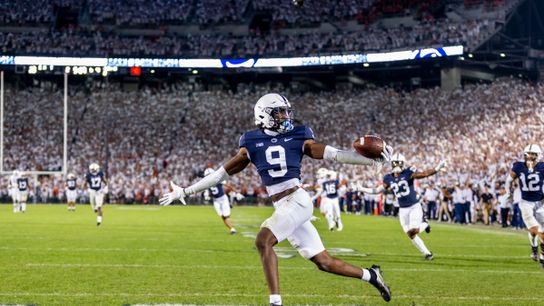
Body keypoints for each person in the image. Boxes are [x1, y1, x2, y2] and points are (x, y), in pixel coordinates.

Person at [160, 93, 393, 305]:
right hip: (283, 205)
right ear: (264, 115)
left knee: (263, 240)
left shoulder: (300, 135)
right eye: (278, 112)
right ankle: (371, 275)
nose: (284, 116)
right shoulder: (250, 142)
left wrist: (370, 161)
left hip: (297, 199)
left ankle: (275, 302)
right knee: (323, 262)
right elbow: (221, 174)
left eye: (285, 111)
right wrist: (185, 191)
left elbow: (335, 155)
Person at [359, 153, 446, 261]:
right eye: (396, 163)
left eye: (399, 163)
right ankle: (427, 253)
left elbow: (423, 174)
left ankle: (425, 224)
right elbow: (378, 190)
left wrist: (437, 168)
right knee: (410, 235)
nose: (397, 165)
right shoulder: (388, 177)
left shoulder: (408, 172)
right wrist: (363, 189)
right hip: (403, 210)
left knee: (413, 231)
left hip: (414, 206)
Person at [505, 144, 544, 266]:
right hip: (526, 202)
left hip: (541, 202)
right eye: (529, 153)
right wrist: (508, 193)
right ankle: (533, 246)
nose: (530, 156)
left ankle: (542, 255)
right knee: (534, 230)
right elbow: (508, 180)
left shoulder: (542, 167)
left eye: (533, 154)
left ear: (538, 155)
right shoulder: (518, 166)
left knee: (543, 233)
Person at [204, 167, 237, 234]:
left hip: (223, 198)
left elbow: (228, 186)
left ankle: (232, 228)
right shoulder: (206, 183)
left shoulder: (218, 180)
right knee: (222, 215)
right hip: (216, 200)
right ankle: (231, 228)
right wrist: (207, 195)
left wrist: (235, 192)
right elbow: (209, 192)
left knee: (226, 215)